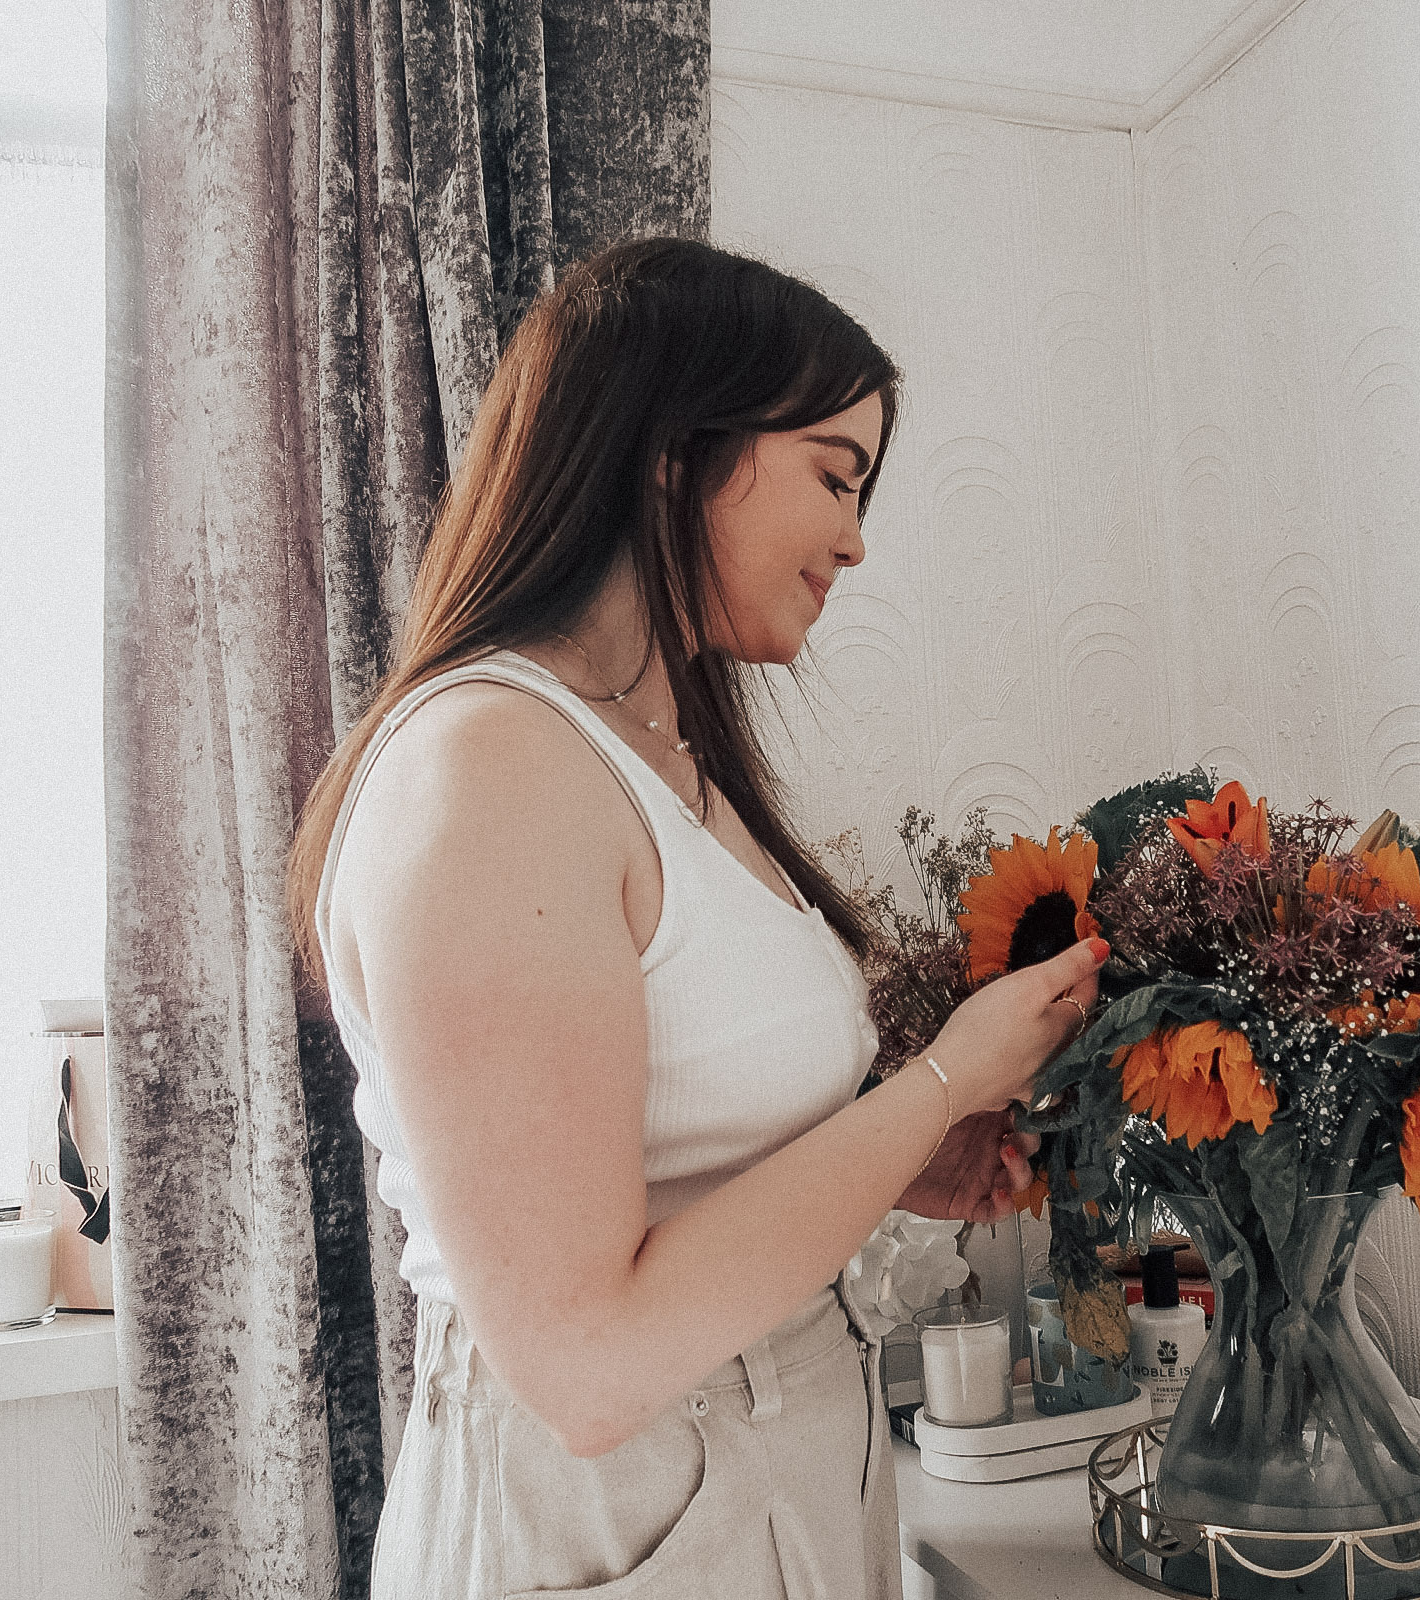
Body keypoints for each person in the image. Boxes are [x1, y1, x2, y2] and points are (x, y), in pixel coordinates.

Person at [286, 238, 1108, 1599]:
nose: (855, 539)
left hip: (783, 1456)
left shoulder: (660, 756)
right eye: (835, 476)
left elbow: (666, 1156)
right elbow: (586, 1364)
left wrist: (899, 1162)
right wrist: (950, 1077)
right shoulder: (490, 765)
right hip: (620, 1510)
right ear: (676, 449)